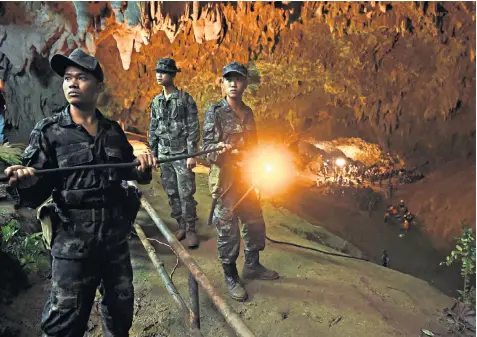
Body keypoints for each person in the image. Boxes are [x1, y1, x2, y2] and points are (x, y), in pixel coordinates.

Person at [4, 48, 154, 337]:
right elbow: (34, 194)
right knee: (65, 321)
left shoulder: (112, 131)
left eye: (81, 77)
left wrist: (143, 169)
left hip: (114, 243)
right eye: (67, 78)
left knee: (120, 313)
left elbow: (130, 172)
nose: (71, 83)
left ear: (97, 86)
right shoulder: (48, 132)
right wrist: (24, 180)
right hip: (73, 245)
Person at [202, 62, 278, 302]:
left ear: (245, 83)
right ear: (222, 83)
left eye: (238, 79)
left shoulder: (248, 113)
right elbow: (206, 151)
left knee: (255, 222)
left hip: (247, 180)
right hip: (226, 182)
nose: (233, 83)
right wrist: (221, 150)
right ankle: (231, 276)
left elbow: (253, 146)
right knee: (228, 231)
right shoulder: (214, 112)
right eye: (229, 79)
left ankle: (252, 265)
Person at [149, 58, 200, 248]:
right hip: (164, 153)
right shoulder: (156, 101)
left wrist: (192, 154)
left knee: (186, 192)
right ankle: (180, 225)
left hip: (181, 153)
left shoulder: (185, 99)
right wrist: (153, 153)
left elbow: (193, 127)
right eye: (158, 71)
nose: (159, 75)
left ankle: (191, 229)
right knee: (171, 192)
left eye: (163, 72)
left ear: (172, 75)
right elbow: (153, 128)